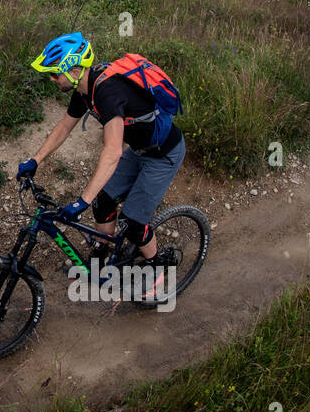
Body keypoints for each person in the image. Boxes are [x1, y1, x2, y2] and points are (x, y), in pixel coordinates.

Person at [17, 32, 185, 295]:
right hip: (140, 151)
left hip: (163, 155)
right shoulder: (84, 90)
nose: (51, 79)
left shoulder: (107, 92)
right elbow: (64, 127)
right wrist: (35, 160)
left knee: (132, 221)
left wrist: (81, 200)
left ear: (73, 70)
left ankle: (157, 271)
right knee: (103, 202)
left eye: (54, 73)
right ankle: (99, 264)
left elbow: (113, 151)